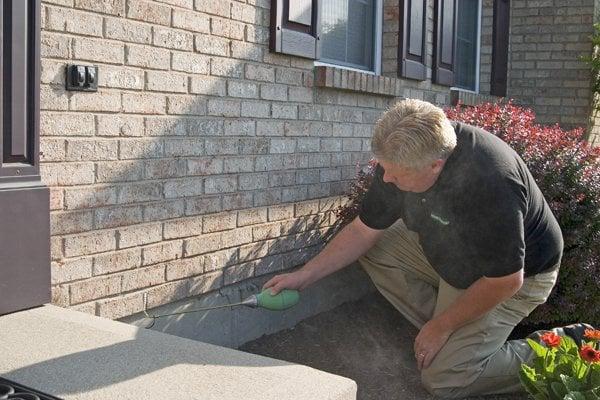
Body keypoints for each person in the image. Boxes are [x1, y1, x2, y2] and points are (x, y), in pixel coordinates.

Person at [263, 99, 567, 398]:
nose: (386, 178)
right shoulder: (401, 157)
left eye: (395, 173)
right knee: (377, 246)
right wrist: (303, 276)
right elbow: (362, 231)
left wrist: (442, 326)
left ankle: (564, 349)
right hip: (455, 256)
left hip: (514, 278)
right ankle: (452, 335)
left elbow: (506, 280)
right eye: (384, 168)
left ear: (435, 165)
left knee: (446, 381)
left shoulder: (490, 183)